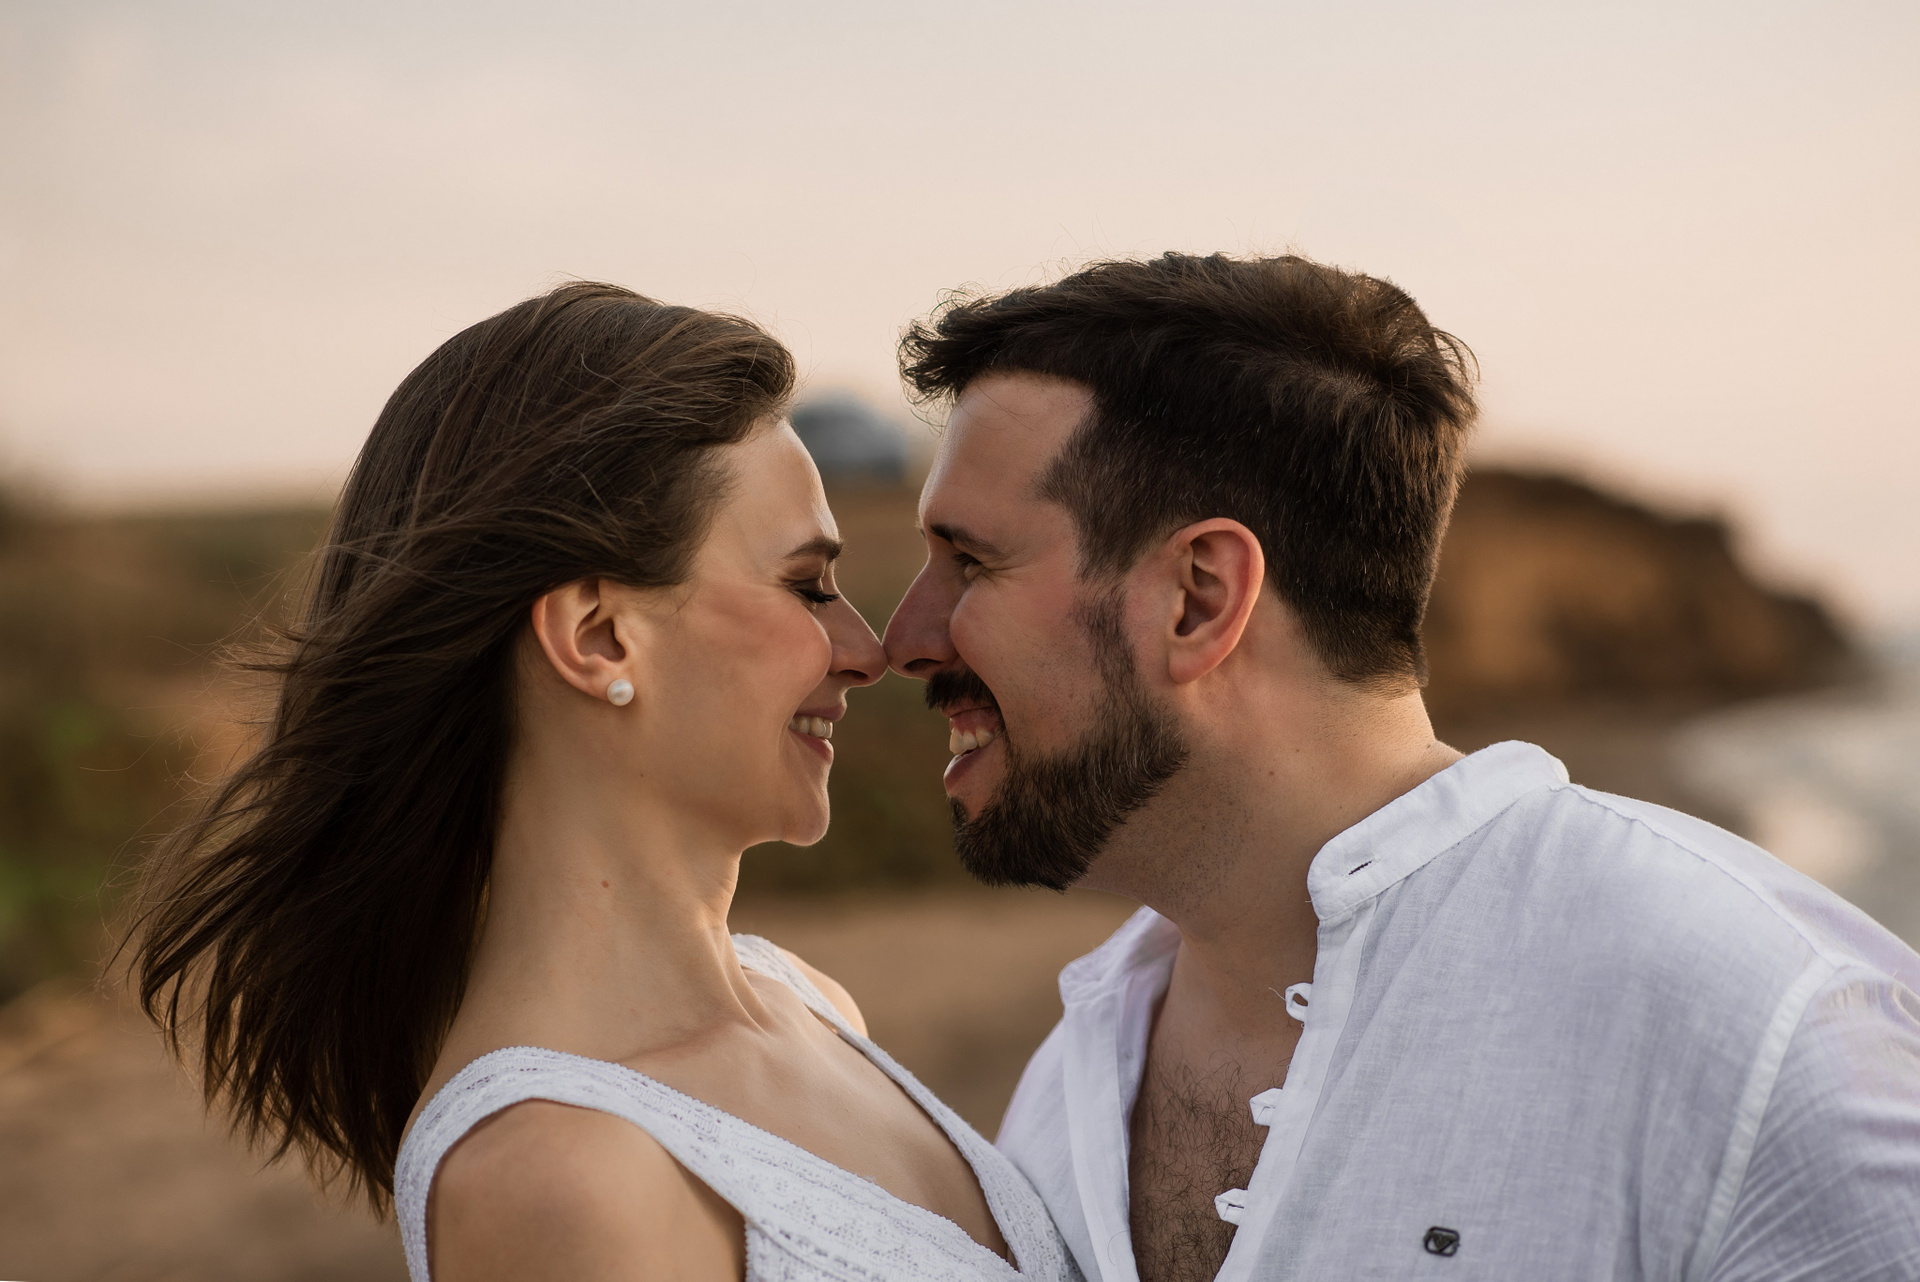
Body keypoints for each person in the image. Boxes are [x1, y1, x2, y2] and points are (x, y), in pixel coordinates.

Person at [881, 252, 1920, 1281]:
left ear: (1199, 597)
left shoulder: (1762, 1029)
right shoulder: (1066, 1085)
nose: (902, 640)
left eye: (971, 562)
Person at [129, 283, 1078, 1282]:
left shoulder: (809, 1005)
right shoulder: (557, 1179)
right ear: (598, 637)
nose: (867, 651)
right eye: (805, 586)